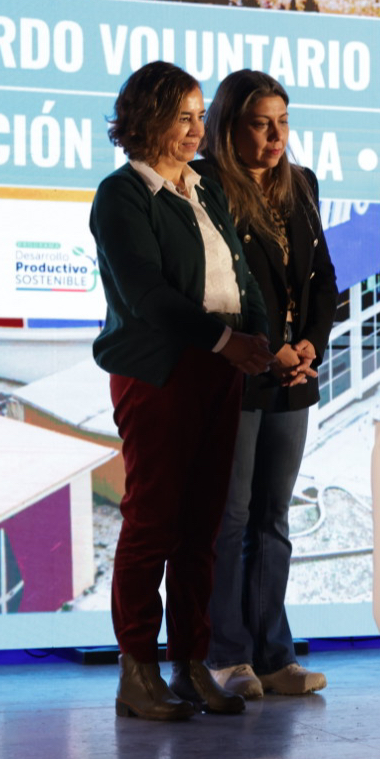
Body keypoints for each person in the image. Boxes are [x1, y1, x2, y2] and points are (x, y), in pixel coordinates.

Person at [91, 61, 276, 720]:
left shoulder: (205, 188)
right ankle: (137, 669)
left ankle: (192, 663)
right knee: (153, 522)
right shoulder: (122, 195)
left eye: (201, 116)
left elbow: (240, 278)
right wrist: (227, 342)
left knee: (202, 526)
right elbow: (148, 294)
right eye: (184, 117)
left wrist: (261, 338)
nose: (199, 129)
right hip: (161, 369)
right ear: (146, 119)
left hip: (219, 368)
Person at [193, 69, 338, 700]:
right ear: (229, 127)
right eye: (261, 124)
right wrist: (269, 349)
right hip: (238, 372)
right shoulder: (203, 183)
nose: (276, 136)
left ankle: (274, 655)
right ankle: (226, 655)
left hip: (293, 375)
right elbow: (219, 285)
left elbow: (323, 277)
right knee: (230, 519)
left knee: (273, 519)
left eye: (283, 122)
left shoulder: (301, 183)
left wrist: (310, 345)